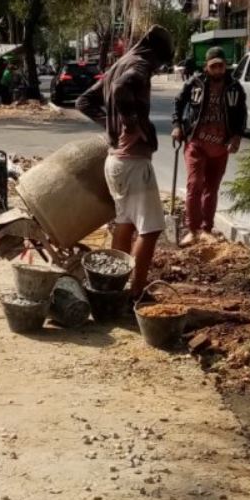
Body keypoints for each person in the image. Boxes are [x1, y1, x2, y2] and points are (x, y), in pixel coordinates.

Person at [77, 25, 173, 298]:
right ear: (155, 54)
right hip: (133, 162)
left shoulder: (121, 63)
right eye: (161, 62)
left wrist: (112, 126)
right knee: (151, 229)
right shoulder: (140, 65)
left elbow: (84, 101)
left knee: (126, 223)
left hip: (115, 161)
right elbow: (121, 89)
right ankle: (136, 293)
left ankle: (115, 287)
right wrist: (131, 124)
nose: (157, 68)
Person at [172, 46, 247, 247]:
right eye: (213, 66)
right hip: (196, 144)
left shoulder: (234, 87)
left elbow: (241, 114)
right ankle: (192, 229)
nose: (218, 70)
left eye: (221, 66)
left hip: (221, 148)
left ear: (225, 66)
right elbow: (178, 103)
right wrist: (177, 126)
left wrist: (237, 137)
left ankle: (206, 229)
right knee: (194, 185)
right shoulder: (194, 83)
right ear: (206, 67)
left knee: (211, 189)